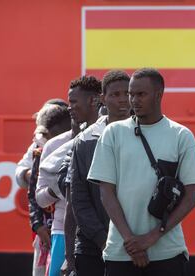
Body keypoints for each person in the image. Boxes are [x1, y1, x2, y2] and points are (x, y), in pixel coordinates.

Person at [87, 68, 195, 276]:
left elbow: (191, 197)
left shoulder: (181, 136)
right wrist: (131, 240)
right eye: (131, 94)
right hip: (121, 251)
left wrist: (152, 237)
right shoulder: (113, 133)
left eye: (141, 94)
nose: (133, 100)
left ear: (159, 95)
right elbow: (106, 192)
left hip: (167, 252)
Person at [36, 75, 101, 276]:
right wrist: (60, 187)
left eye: (73, 102)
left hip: (104, 232)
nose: (69, 107)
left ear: (94, 101)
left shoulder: (111, 137)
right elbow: (40, 197)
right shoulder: (54, 146)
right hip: (62, 232)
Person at [70, 70, 131, 276]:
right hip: (92, 246)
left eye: (127, 93)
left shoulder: (148, 136)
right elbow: (79, 199)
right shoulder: (85, 141)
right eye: (115, 94)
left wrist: (134, 239)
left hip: (136, 247)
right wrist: (103, 239)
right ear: (102, 99)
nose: (123, 100)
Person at [15, 99, 69, 276]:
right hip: (44, 222)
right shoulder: (36, 146)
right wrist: (35, 175)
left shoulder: (71, 140)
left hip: (64, 222)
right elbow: (22, 175)